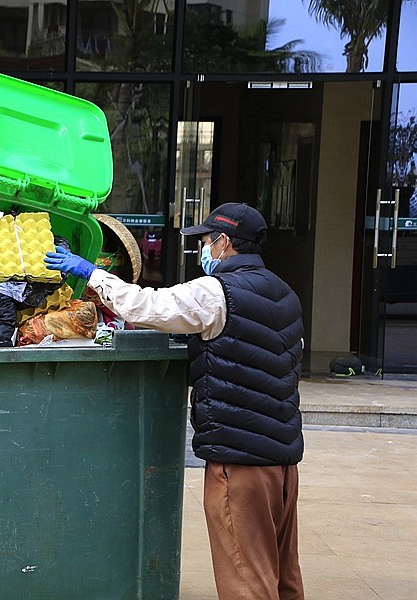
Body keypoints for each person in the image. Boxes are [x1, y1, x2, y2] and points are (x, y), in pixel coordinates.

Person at [45, 202, 305, 600]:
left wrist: (92, 273)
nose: (202, 249)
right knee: (283, 579)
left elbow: (147, 306)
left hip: (240, 464)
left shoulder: (217, 292)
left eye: (204, 240)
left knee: (247, 581)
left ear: (224, 243)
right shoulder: (285, 293)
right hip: (283, 464)